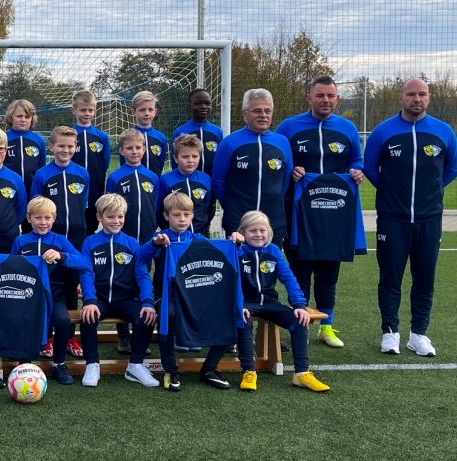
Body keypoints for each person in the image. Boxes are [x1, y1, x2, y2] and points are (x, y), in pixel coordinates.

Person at [363, 77, 457, 357]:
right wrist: (390, 191)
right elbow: (370, 167)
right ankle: (390, 332)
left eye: (422, 94)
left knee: (425, 278)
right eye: (411, 94)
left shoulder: (444, 131)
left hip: (429, 219)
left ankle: (418, 334)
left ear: (429, 97)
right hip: (392, 219)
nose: (416, 99)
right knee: (390, 277)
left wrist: (432, 191)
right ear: (401, 98)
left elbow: (453, 169)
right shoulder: (383, 132)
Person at [275, 76, 365, 348]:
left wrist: (357, 172)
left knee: (328, 275)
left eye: (330, 96)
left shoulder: (348, 128)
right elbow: (276, 159)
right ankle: (298, 327)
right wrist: (292, 170)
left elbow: (357, 160)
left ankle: (327, 328)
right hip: (299, 215)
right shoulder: (289, 127)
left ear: (337, 99)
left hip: (335, 216)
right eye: (320, 95)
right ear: (309, 98)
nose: (326, 100)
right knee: (300, 274)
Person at [139, 193, 236, 391]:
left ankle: (209, 368)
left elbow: (224, 255)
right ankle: (170, 369)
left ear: (192, 215)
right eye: (176, 215)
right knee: (167, 314)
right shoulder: (160, 238)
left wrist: (236, 242)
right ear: (166, 216)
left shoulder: (197, 239)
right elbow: (140, 257)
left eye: (186, 214)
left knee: (229, 313)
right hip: (166, 296)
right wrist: (154, 244)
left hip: (194, 296)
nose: (182, 219)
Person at [230, 211, 330, 392]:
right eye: (252, 230)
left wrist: (299, 305)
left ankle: (301, 374)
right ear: (242, 232)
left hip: (270, 302)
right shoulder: (237, 251)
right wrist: (238, 305)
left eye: (262, 230)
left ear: (269, 232)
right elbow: (230, 282)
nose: (258, 234)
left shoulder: (274, 251)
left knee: (299, 320)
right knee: (243, 320)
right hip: (246, 303)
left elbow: (289, 279)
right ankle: (249, 371)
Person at [11, 196, 97, 385]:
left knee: (63, 320)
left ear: (54, 218)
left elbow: (84, 262)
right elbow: (12, 266)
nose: (43, 222)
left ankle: (59, 363)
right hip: (28, 297)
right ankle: (24, 363)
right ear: (29, 218)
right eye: (38, 217)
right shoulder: (20, 241)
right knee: (26, 321)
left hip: (55, 297)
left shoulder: (60, 241)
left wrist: (61, 256)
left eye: (47, 218)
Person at [78, 194, 159, 388]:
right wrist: (89, 301)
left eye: (120, 216)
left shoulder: (132, 244)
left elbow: (142, 275)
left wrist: (148, 302)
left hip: (126, 300)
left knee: (147, 317)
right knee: (87, 317)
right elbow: (87, 273)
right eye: (111, 217)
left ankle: (136, 365)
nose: (116, 221)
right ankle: (92, 364)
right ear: (100, 217)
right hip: (100, 300)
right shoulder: (90, 242)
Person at [30, 125, 91, 359]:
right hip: (50, 238)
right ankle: (45, 337)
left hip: (75, 238)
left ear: (76, 147)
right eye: (61, 146)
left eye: (70, 146)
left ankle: (69, 337)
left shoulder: (83, 174)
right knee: (48, 286)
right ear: (52, 147)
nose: (65, 150)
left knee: (71, 288)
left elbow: (85, 205)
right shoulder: (43, 175)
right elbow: (37, 207)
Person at [212, 88, 293, 243]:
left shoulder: (282, 142)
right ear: (245, 114)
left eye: (267, 111)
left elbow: (285, 181)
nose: (263, 115)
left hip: (273, 220)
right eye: (257, 111)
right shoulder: (229, 143)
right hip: (238, 221)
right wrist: (232, 207)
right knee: (240, 259)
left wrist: (272, 201)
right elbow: (219, 181)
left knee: (270, 259)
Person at [105, 128, 160, 351]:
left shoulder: (153, 177)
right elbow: (109, 207)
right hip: (123, 239)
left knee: (143, 280)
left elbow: (156, 206)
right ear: (121, 151)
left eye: (138, 148)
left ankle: (140, 335)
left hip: (146, 239)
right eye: (129, 148)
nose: (134, 152)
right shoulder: (115, 177)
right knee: (124, 283)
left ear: (144, 149)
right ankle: (123, 336)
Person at [70, 89, 111, 235]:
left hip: (95, 189)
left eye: (90, 110)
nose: (87, 113)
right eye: (83, 110)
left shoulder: (102, 137)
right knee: (74, 226)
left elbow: (105, 162)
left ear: (95, 111)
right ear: (74, 110)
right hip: (73, 189)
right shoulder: (69, 135)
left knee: (91, 226)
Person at [157, 134, 212, 234]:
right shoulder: (165, 180)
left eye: (195, 156)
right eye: (185, 156)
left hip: (199, 235)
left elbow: (208, 206)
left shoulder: (206, 179)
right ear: (176, 158)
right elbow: (159, 210)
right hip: (173, 237)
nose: (190, 160)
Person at [172, 88, 224, 178]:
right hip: (188, 182)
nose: (203, 106)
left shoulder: (218, 132)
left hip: (211, 182)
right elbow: (175, 163)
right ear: (189, 106)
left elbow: (220, 160)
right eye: (198, 103)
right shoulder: (180, 132)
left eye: (207, 103)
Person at [4, 99, 47, 194]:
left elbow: (42, 167)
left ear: (32, 119)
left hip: (33, 190)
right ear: (11, 117)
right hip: (9, 189)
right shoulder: (4, 138)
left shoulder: (39, 141)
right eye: (19, 116)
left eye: (27, 117)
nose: (23, 120)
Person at [123, 91, 169, 176]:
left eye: (150, 109)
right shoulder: (127, 137)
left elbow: (160, 164)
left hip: (154, 182)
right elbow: (123, 164)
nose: (147, 113)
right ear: (133, 112)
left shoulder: (161, 138)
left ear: (155, 112)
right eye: (142, 110)